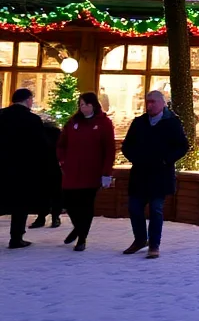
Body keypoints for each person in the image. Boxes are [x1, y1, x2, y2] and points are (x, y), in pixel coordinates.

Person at [121, 90, 190, 259]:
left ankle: (154, 244)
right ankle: (140, 239)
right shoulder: (139, 123)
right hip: (140, 174)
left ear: (162, 103)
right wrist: (135, 158)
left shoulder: (172, 123)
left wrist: (166, 160)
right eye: (147, 102)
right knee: (134, 208)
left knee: (156, 209)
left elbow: (182, 146)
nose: (149, 105)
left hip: (160, 175)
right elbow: (127, 145)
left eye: (153, 102)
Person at [58, 92, 116, 252]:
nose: (83, 108)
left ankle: (81, 237)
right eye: (81, 105)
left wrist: (106, 172)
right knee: (69, 202)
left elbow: (109, 149)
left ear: (93, 105)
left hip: (92, 171)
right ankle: (78, 228)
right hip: (72, 171)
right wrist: (62, 161)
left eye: (86, 105)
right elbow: (61, 144)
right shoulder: (73, 122)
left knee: (86, 204)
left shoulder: (103, 123)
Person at [0, 88, 48, 249]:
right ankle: (16, 238)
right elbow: (41, 145)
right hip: (24, 168)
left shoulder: (1, 115)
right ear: (27, 100)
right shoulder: (32, 120)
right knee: (20, 204)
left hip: (2, 166)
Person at [30, 115, 63, 229]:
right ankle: (55, 217)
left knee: (42, 193)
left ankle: (41, 217)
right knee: (55, 193)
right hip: (54, 166)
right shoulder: (57, 134)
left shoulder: (38, 133)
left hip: (41, 166)